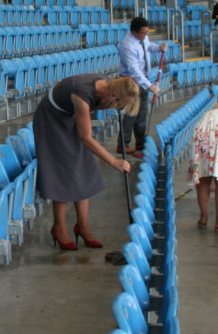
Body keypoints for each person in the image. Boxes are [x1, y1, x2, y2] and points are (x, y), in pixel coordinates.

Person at [32, 74, 140, 250]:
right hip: (50, 121)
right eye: (118, 105)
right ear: (113, 96)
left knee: (84, 168)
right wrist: (113, 161)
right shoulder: (82, 94)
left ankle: (83, 227)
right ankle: (59, 228)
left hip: (69, 118)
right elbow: (85, 138)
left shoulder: (106, 86)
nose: (115, 108)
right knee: (63, 173)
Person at [118, 16, 167, 158]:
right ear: (134, 32)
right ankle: (123, 143)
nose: (146, 35)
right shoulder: (128, 46)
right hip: (131, 82)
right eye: (143, 33)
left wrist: (158, 48)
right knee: (131, 113)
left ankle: (140, 141)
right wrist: (150, 86)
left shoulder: (143, 38)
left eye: (147, 32)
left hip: (144, 79)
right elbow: (134, 70)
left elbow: (148, 48)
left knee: (142, 112)